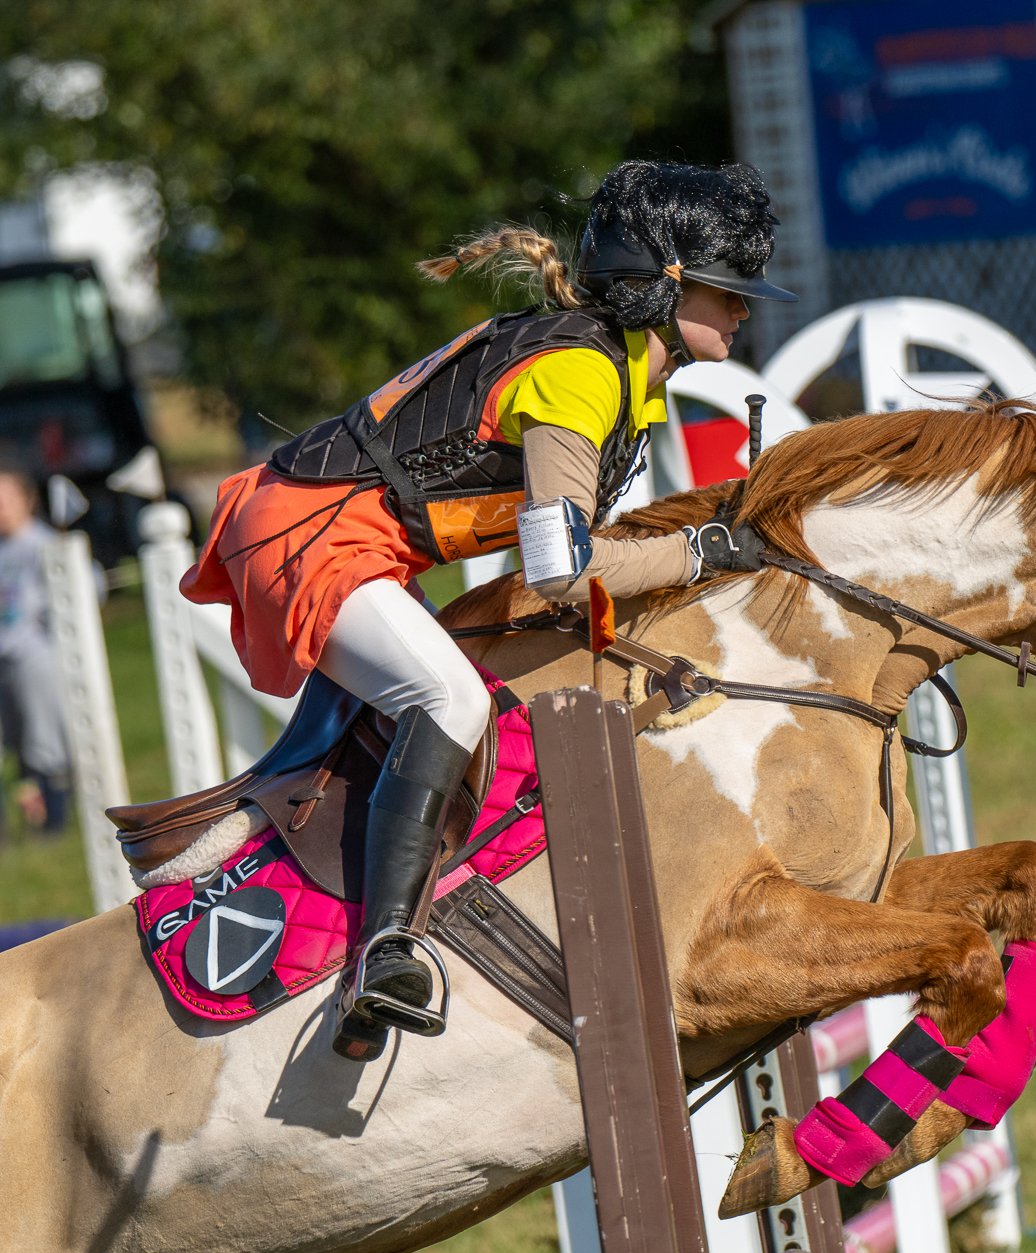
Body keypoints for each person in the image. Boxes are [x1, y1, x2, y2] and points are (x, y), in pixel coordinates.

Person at [180, 160, 795, 1051]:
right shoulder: (579, 375)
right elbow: (557, 564)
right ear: (662, 291)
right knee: (452, 700)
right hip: (308, 535)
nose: (744, 309)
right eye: (724, 291)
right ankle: (382, 951)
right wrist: (698, 552)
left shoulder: (621, 373)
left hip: (361, 539)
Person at [0, 465, 71, 838]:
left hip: (34, 656)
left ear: (26, 500)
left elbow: (86, 582)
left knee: (43, 739)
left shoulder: (45, 545)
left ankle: (55, 820)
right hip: (3, 660)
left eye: (6, 499)